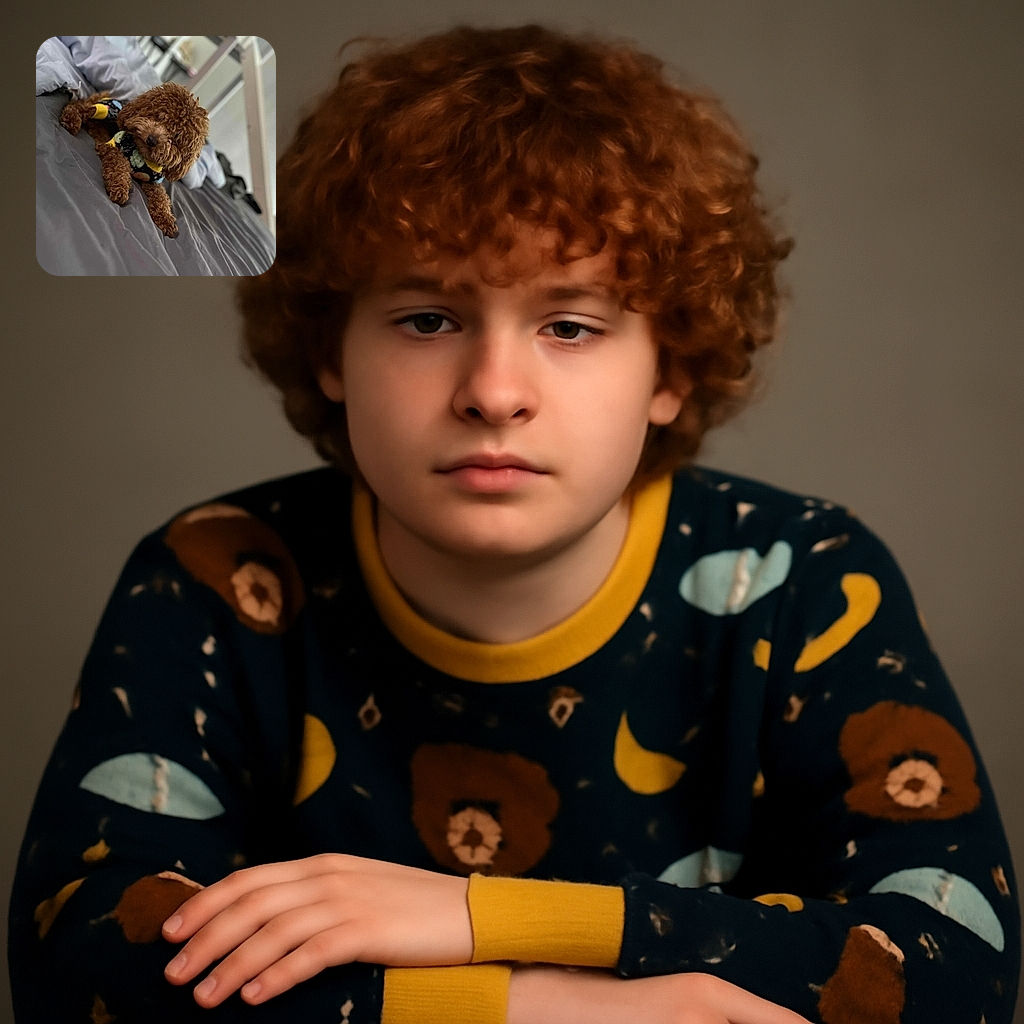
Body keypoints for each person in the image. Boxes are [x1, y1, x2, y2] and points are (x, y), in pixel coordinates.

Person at [9, 23, 1019, 1024]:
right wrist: (540, 1006)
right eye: (427, 320)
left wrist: (475, 915)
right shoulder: (216, 580)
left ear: (668, 369)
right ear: (330, 351)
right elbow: (78, 964)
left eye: (569, 326)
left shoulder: (802, 579)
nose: (494, 392)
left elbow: (956, 970)